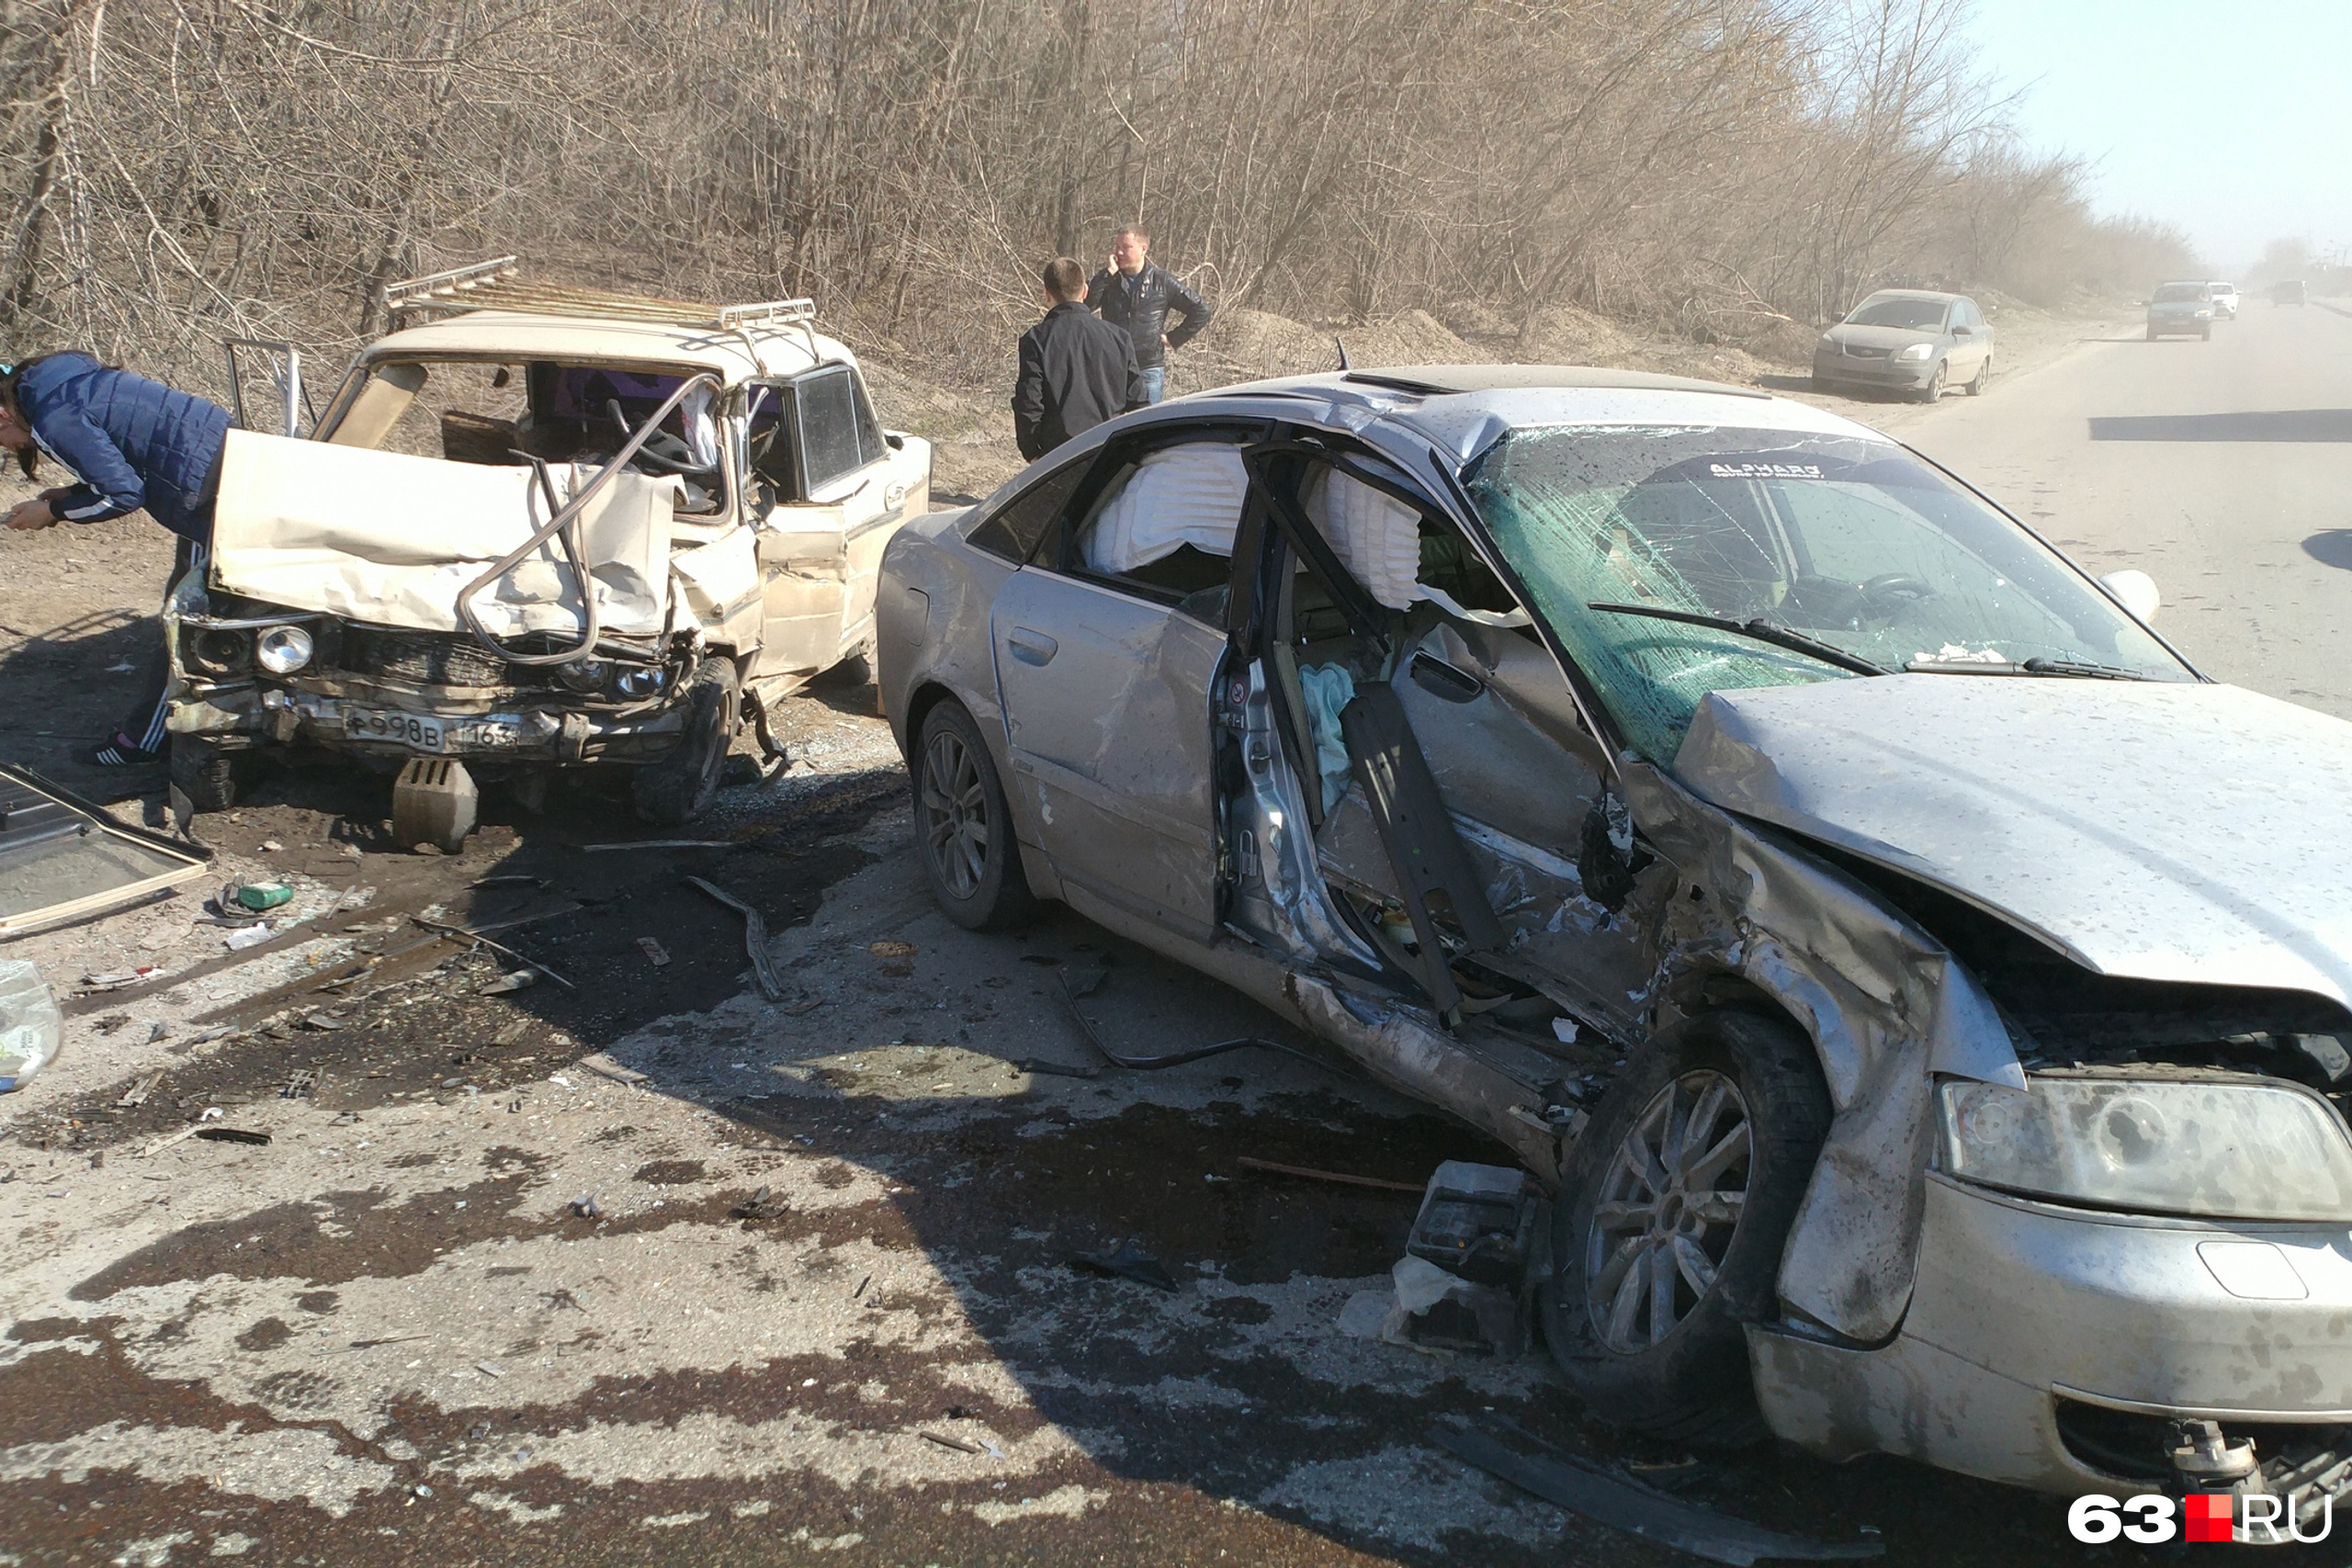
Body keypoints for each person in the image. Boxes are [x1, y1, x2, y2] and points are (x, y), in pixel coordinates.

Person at [0, 353, 233, 766]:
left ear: (2, 415)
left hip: (210, 496)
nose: (8, 447)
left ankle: (146, 742)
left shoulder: (50, 419)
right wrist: (70, 496)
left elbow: (122, 494)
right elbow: (119, 447)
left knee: (183, 618)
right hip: (224, 459)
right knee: (189, 607)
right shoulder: (61, 381)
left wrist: (53, 513)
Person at [1012, 256, 1142, 462]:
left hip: (1058, 456)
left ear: (1047, 294)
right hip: (1109, 452)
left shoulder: (1036, 340)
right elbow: (1139, 403)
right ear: (1085, 291)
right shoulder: (1119, 338)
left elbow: (1029, 402)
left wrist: (1032, 452)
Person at [1086, 225, 1212, 405]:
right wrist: (1106, 274)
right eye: (1117, 247)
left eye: (1126, 247)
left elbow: (1201, 310)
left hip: (1148, 368)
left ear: (1143, 249)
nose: (1119, 253)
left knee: (1146, 428)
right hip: (1113, 367)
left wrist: (1174, 338)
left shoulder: (1162, 281)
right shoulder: (1109, 280)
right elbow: (1084, 305)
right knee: (1112, 427)